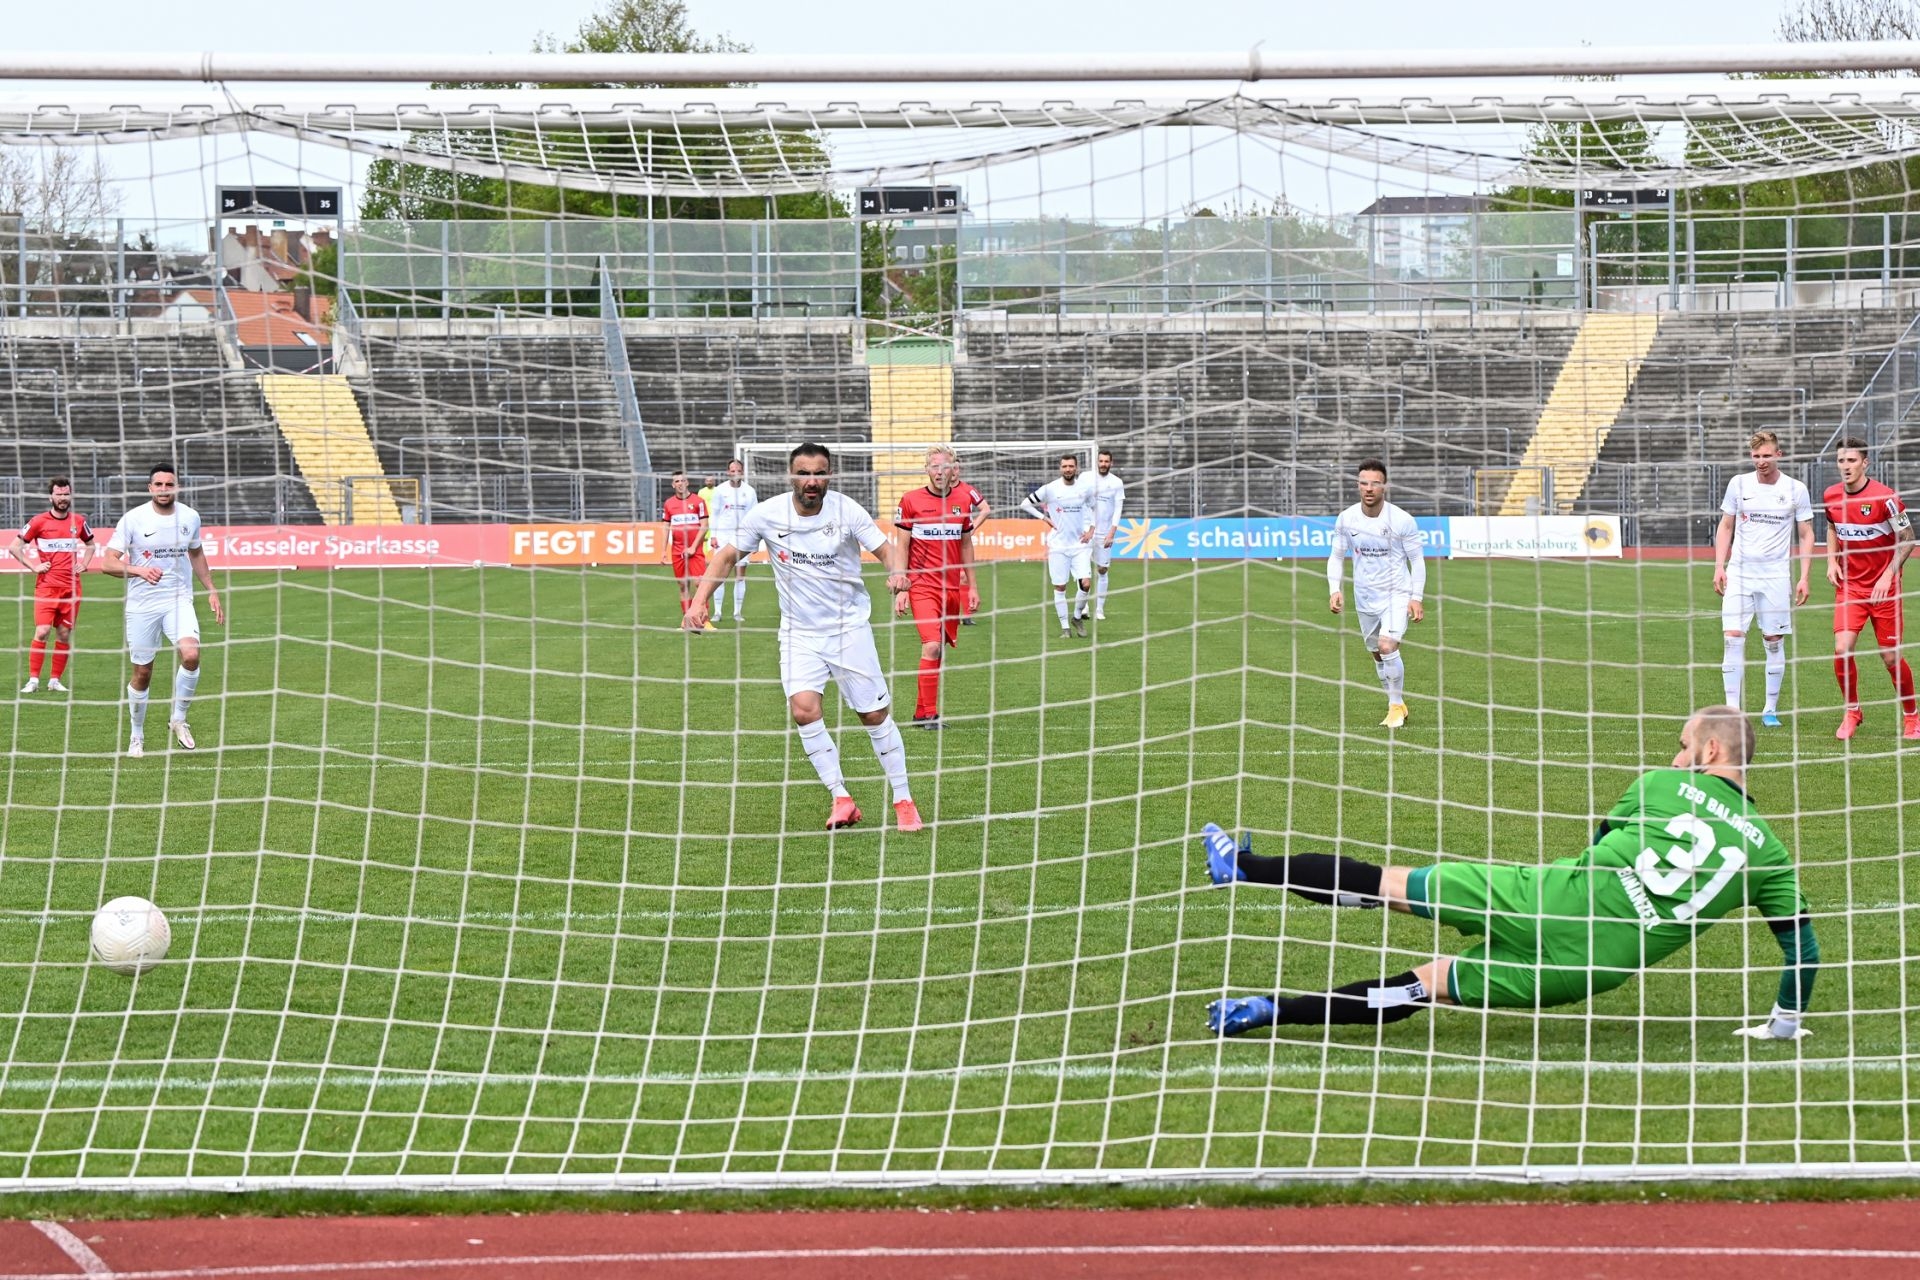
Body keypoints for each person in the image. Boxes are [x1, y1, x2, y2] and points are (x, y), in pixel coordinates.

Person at [1201, 705, 1818, 1044]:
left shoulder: (1662, 784)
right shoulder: (1770, 854)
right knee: (1423, 986)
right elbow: (1803, 948)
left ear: (1710, 752)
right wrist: (1785, 1019)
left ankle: (1243, 868)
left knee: (1387, 884)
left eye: (1684, 745)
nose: (1676, 755)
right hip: (1589, 964)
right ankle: (1267, 1012)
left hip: (1541, 896)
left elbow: (1602, 838)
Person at [686, 443, 922, 832]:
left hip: (849, 631)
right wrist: (699, 601)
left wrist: (899, 576)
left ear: (829, 476)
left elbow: (887, 549)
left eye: (820, 473)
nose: (812, 481)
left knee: (873, 715)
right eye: (804, 473)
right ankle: (841, 798)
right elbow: (727, 555)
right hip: (798, 633)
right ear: (791, 476)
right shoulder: (768, 514)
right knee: (804, 709)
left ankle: (903, 799)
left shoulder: (846, 509)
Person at [101, 464, 224, 756]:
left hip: (178, 599)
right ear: (150, 488)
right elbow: (107, 562)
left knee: (191, 654)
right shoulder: (133, 519)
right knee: (143, 672)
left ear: (176, 487)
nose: (164, 489)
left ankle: (179, 719)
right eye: (159, 485)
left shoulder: (190, 517)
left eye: (169, 484)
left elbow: (196, 552)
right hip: (143, 605)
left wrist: (212, 590)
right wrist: (138, 572)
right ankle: (136, 735)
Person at [1714, 430, 1814, 727]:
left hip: (1775, 576)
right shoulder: (1738, 484)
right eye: (1756, 456)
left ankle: (1770, 709)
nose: (1761, 461)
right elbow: (1726, 525)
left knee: (1773, 640)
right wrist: (1720, 565)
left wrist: (1804, 576)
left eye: (1767, 455)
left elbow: (1807, 534)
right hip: (1740, 573)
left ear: (1779, 455)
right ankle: (1732, 711)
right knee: (1732, 638)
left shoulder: (1795, 489)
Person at [1822, 437, 1917, 741]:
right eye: (1841, 461)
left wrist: (1889, 574)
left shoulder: (1886, 498)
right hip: (1851, 587)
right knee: (1841, 649)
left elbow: (1908, 538)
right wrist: (1831, 561)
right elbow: (1833, 527)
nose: (1845, 466)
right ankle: (1852, 711)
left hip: (1885, 590)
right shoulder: (1831, 496)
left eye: (1852, 461)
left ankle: (1912, 716)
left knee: (1889, 657)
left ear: (1865, 463)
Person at [1327, 459, 1425, 729]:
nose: (1368, 488)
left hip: (1397, 593)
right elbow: (1336, 556)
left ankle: (1394, 707)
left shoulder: (1402, 520)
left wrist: (1416, 597)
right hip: (1365, 597)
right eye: (1363, 483)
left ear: (1385, 486)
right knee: (1377, 653)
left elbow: (1417, 560)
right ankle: (1398, 702)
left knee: (1387, 645)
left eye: (1375, 483)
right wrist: (1335, 589)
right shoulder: (1347, 518)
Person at [894, 446, 980, 729]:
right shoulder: (910, 500)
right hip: (921, 586)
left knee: (937, 651)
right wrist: (902, 587)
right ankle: (929, 714)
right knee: (931, 647)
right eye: (933, 466)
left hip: (951, 588)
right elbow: (902, 545)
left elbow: (966, 544)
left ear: (953, 469)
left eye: (945, 466)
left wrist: (973, 587)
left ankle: (921, 713)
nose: (939, 472)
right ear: (927, 469)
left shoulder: (963, 499)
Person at [11, 476, 95, 693]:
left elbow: (91, 545)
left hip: (72, 588)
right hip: (47, 587)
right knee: (42, 631)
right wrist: (34, 566)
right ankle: (33, 680)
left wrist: (84, 564)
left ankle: (55, 680)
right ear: (51, 496)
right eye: (59, 494)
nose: (63, 498)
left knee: (64, 634)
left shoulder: (78, 521)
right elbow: (14, 547)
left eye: (66, 494)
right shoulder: (39, 521)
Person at [1020, 453, 1095, 639]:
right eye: (1065, 466)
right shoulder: (1050, 489)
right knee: (1060, 587)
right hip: (1058, 546)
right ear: (1060, 468)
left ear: (1076, 468)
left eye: (1071, 466)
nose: (1068, 469)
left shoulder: (1085, 489)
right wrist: (1044, 518)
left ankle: (1077, 617)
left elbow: (1094, 508)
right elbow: (1025, 504)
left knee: (1085, 583)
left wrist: (1091, 529)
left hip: (1079, 545)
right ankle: (1065, 628)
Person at [708, 459, 759, 623]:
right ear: (728, 472)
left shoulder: (750, 491)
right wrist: (713, 536)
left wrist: (755, 540)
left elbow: (754, 517)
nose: (735, 472)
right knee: (719, 574)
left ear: (742, 472)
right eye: (732, 470)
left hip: (743, 538)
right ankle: (717, 612)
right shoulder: (720, 490)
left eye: (738, 470)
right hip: (723, 537)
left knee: (740, 575)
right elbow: (714, 514)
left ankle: (737, 612)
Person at [660, 472, 712, 631]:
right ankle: (687, 621)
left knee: (700, 584)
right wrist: (663, 551)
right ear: (673, 485)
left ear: (687, 482)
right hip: (677, 551)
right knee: (683, 586)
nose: (681, 483)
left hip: (695, 551)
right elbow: (666, 527)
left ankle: (705, 620)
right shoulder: (669, 504)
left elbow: (704, 526)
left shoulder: (698, 501)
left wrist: (693, 547)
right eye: (677, 481)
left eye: (683, 480)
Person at [948, 455, 991, 626]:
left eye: (956, 468)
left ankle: (965, 615)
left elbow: (985, 509)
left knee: (964, 577)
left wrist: (972, 527)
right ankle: (949, 613)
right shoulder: (939, 491)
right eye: (951, 467)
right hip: (942, 541)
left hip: (961, 541)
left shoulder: (967, 490)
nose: (953, 472)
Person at [1089, 449, 1126, 621]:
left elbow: (1118, 509)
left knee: (1102, 569)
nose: (1103, 464)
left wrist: (1112, 532)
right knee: (1083, 569)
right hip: (1086, 531)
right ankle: (1083, 607)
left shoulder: (1117, 482)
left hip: (1105, 532)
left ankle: (1099, 609)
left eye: (1106, 462)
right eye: (1101, 461)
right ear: (1097, 462)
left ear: (1111, 463)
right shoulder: (1087, 479)